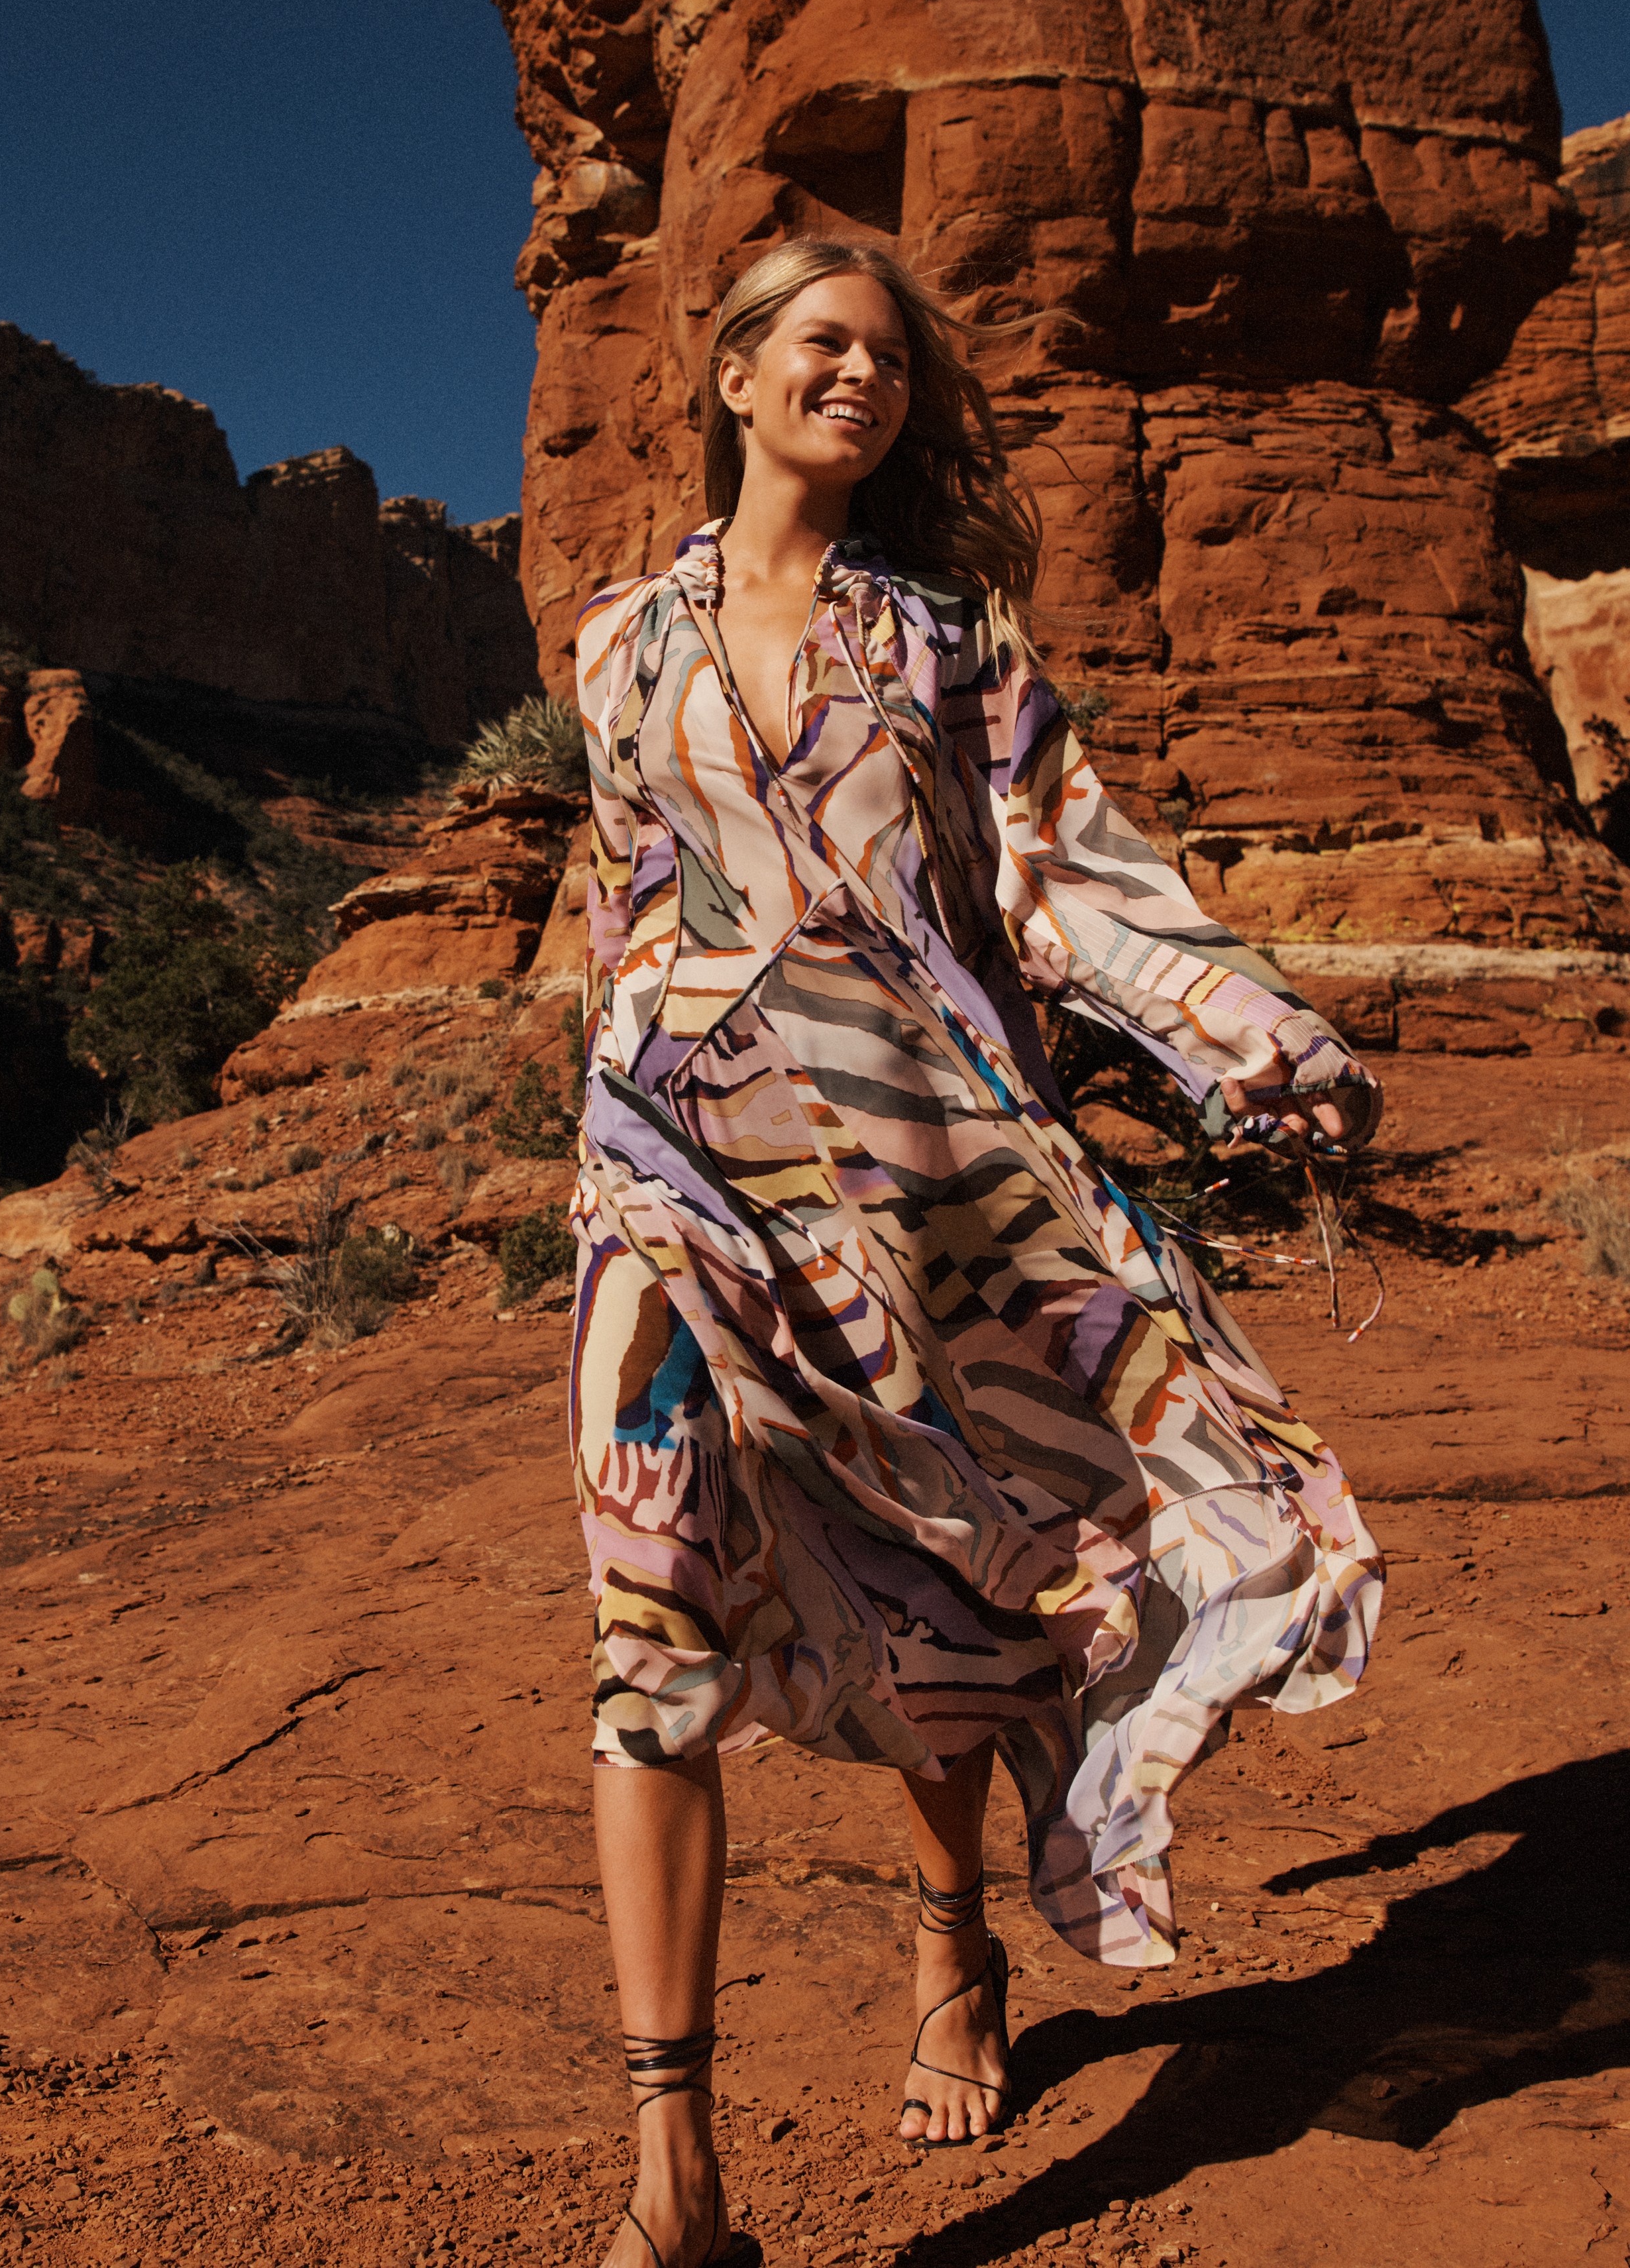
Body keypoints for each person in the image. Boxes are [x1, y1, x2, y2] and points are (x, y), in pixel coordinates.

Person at [568, 235, 1385, 2268]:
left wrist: (1248, 1032)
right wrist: (616, 1139)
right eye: (823, 344)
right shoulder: (613, 646)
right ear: (736, 377)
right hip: (671, 1193)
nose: (862, 377)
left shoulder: (945, 642)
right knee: (650, 1633)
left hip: (916, 1198)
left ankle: (950, 1931)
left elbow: (1066, 877)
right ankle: (673, 2178)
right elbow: (621, 912)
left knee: (937, 1574)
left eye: (888, 359)